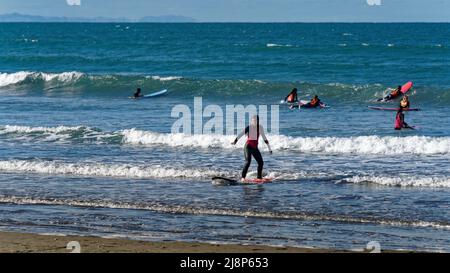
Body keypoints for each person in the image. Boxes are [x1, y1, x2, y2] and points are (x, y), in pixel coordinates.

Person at [231, 115, 272, 181]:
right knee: (248, 162)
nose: (254, 122)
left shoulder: (260, 127)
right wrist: (235, 141)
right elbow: (241, 134)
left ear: (258, 121)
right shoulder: (249, 127)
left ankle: (259, 177)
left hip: (255, 148)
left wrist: (269, 148)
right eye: (253, 120)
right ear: (251, 121)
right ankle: (243, 178)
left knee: (261, 162)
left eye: (255, 120)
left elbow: (264, 137)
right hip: (248, 146)